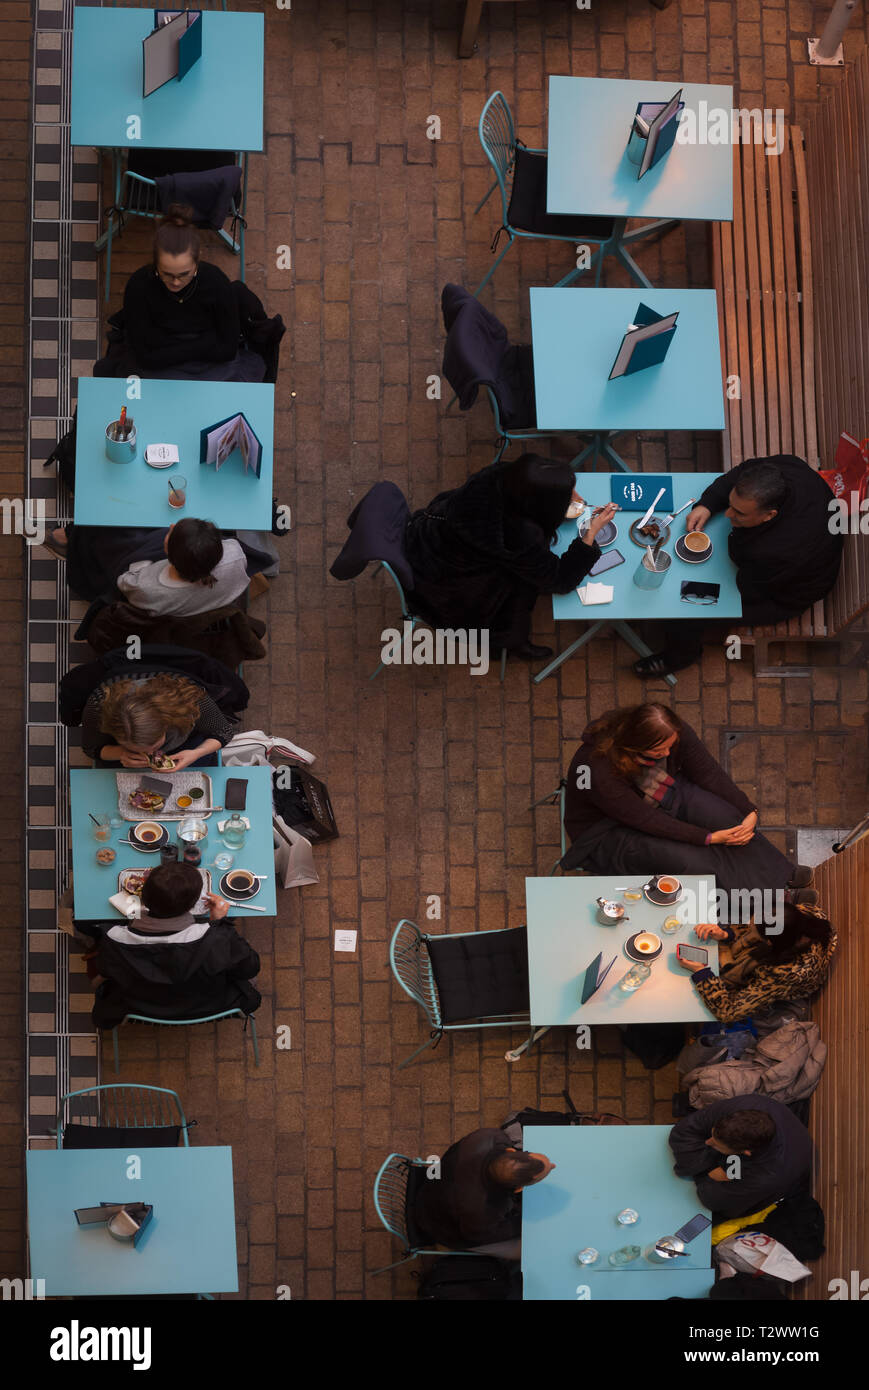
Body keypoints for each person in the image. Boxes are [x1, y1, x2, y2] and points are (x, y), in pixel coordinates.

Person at [563, 703, 809, 918]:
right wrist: (708, 838)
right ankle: (769, 904)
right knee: (694, 859)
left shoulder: (672, 732)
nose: (667, 754)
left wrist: (748, 809)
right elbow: (647, 820)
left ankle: (781, 876)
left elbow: (708, 772)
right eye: (659, 751)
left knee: (726, 818)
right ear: (635, 745)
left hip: (661, 790)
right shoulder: (599, 771)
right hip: (608, 830)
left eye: (670, 747)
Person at [634, 456, 844, 678]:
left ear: (769, 515)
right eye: (731, 504)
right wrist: (708, 504)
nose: (728, 514)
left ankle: (681, 655)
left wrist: (698, 577)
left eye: (739, 513)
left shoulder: (776, 551)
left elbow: (747, 590)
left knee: (689, 604)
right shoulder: (782, 469)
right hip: (779, 565)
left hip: (783, 595)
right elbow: (739, 473)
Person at [404, 454, 618, 660]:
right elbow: (561, 580)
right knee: (520, 591)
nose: (576, 498)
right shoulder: (517, 535)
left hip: (427, 536)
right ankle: (511, 643)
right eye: (566, 495)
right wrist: (590, 533)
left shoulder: (502, 475)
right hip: (448, 585)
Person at [90, 861, 261, 1029]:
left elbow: (102, 971)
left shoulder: (113, 939)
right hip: (209, 1006)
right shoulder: (218, 938)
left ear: (144, 897)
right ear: (193, 904)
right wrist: (220, 922)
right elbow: (250, 968)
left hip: (139, 1009)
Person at [108, 206, 265, 382]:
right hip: (164, 370)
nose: (176, 282)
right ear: (155, 264)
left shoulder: (216, 282)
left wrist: (167, 348)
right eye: (167, 274)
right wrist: (206, 343)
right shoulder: (139, 287)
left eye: (184, 274)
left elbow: (228, 349)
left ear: (197, 261)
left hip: (203, 367)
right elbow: (144, 357)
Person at [677, 902, 836, 1024]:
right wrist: (727, 934)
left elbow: (728, 1012)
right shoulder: (797, 915)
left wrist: (700, 972)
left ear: (768, 943)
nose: (748, 926)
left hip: (780, 983)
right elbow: (753, 928)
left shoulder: (784, 973)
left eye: (753, 930)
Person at [412, 1128, 555, 1255]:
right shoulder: (486, 1211)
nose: (553, 1166)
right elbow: (478, 1236)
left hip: (433, 1184)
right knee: (526, 1249)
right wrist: (525, 1221)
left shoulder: (489, 1137)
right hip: (434, 1223)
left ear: (510, 1151)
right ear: (518, 1189)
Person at [668, 1095, 812, 1218]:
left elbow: (711, 1199)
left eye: (717, 1145)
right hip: (761, 1154)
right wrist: (725, 1171)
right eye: (712, 1134)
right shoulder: (746, 1108)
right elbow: (683, 1131)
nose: (708, 1141)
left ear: (746, 1152)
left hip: (781, 1169)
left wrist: (714, 1174)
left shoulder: (766, 1176)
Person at [80, 669, 236, 768]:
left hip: (185, 748)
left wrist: (196, 753)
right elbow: (91, 748)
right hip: (125, 759)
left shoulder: (188, 698)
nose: (151, 756)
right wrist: (120, 753)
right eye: (139, 749)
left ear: (167, 722)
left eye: (154, 747)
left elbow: (224, 731)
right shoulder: (98, 706)